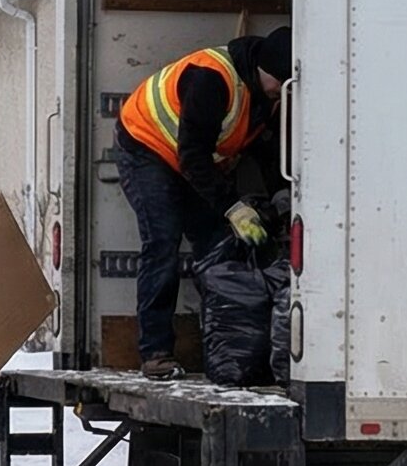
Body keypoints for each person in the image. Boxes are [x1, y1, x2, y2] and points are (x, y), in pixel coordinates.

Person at [116, 25, 291, 380]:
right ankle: (156, 353)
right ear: (266, 72)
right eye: (279, 87)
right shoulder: (212, 79)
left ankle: (222, 348)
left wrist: (280, 197)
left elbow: (267, 153)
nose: (281, 96)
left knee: (217, 241)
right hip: (145, 144)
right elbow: (194, 158)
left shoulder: (266, 95)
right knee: (162, 240)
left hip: (192, 160)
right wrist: (233, 207)